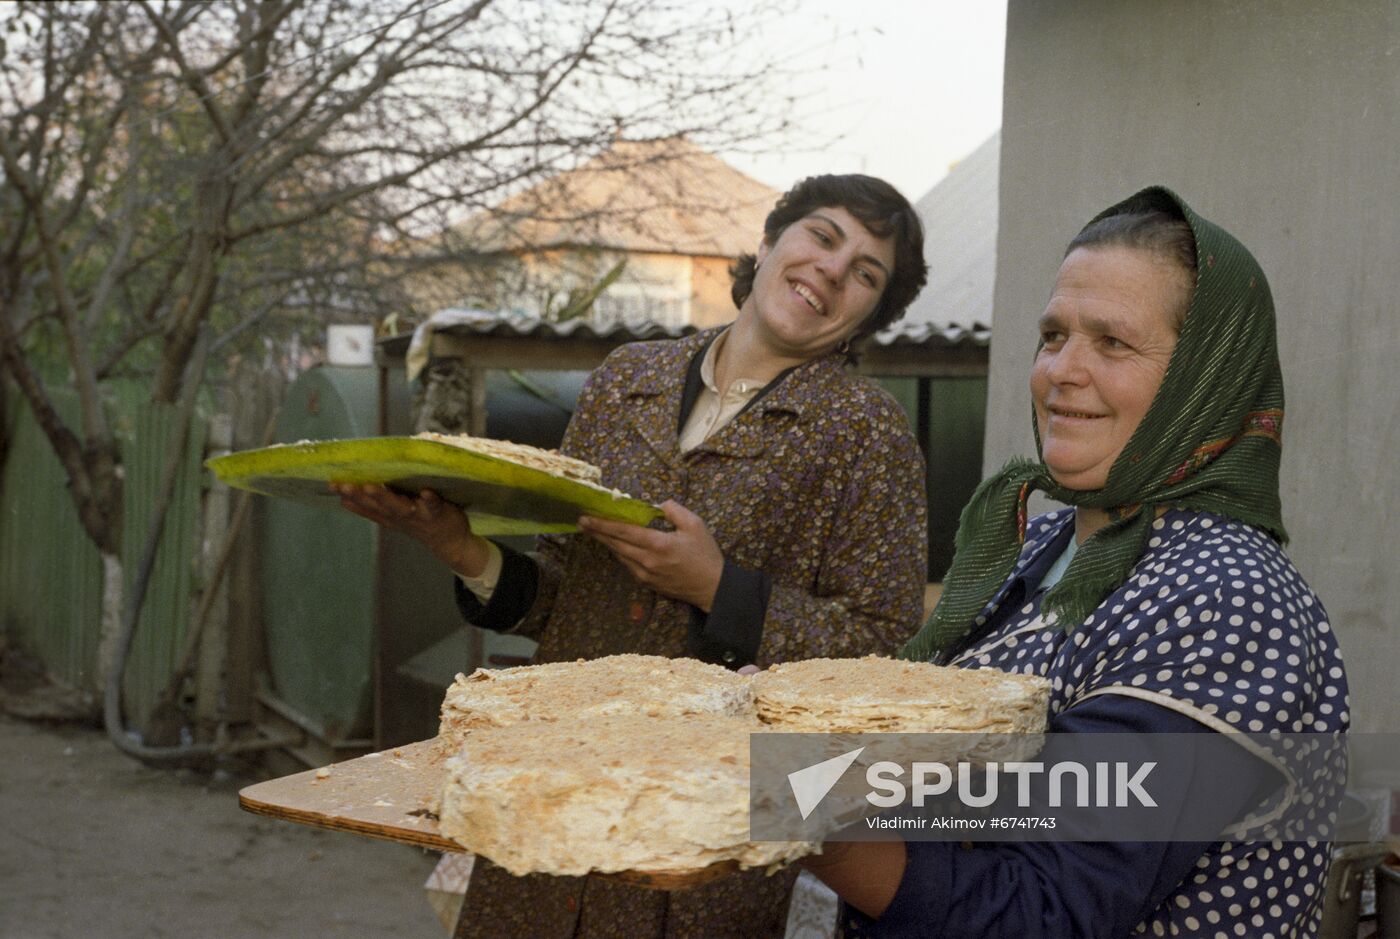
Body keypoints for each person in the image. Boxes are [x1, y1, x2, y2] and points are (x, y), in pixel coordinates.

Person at [335, 173, 931, 939]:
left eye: (866, 274)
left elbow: (878, 657)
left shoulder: (868, 434)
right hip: (546, 800)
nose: (832, 270)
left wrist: (721, 588)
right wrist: (457, 545)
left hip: (701, 829)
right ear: (770, 240)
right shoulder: (626, 380)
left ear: (870, 315)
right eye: (822, 235)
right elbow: (562, 593)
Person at [802, 187, 1349, 937]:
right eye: (1053, 334)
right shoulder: (1039, 543)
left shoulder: (1226, 598)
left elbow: (1043, 910)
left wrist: (794, 799)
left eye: (1113, 342)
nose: (1061, 369)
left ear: (1208, 376)